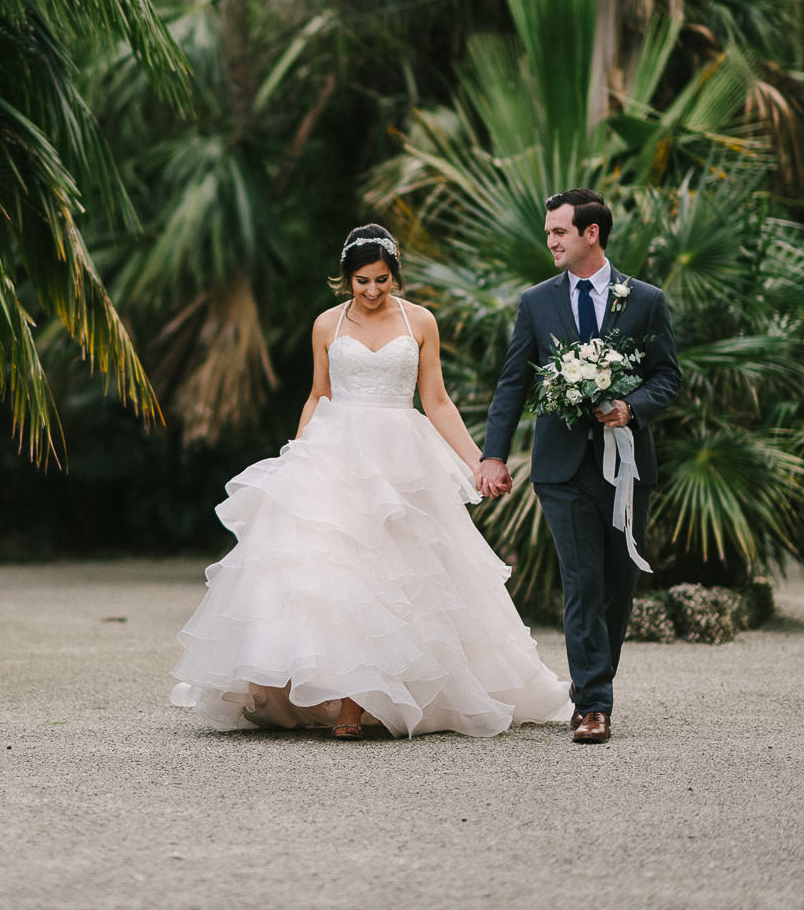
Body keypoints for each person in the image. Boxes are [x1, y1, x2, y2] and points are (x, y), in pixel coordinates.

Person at [169, 225, 573, 739]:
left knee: (395, 576)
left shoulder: (419, 320)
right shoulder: (327, 324)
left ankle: (364, 704)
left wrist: (480, 460)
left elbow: (437, 400)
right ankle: (342, 699)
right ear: (347, 278)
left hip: (401, 457)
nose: (373, 290)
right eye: (362, 281)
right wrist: (298, 454)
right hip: (336, 452)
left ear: (394, 275)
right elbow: (318, 394)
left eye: (382, 279)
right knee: (338, 575)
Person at [476, 189, 681, 745]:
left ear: (592, 233)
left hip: (627, 468)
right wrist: (493, 454)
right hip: (561, 469)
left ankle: (592, 684)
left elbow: (668, 377)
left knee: (618, 583)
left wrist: (630, 408)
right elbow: (513, 383)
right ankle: (594, 704)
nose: (550, 241)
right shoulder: (536, 302)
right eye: (548, 232)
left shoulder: (644, 299)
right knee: (583, 581)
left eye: (559, 231)